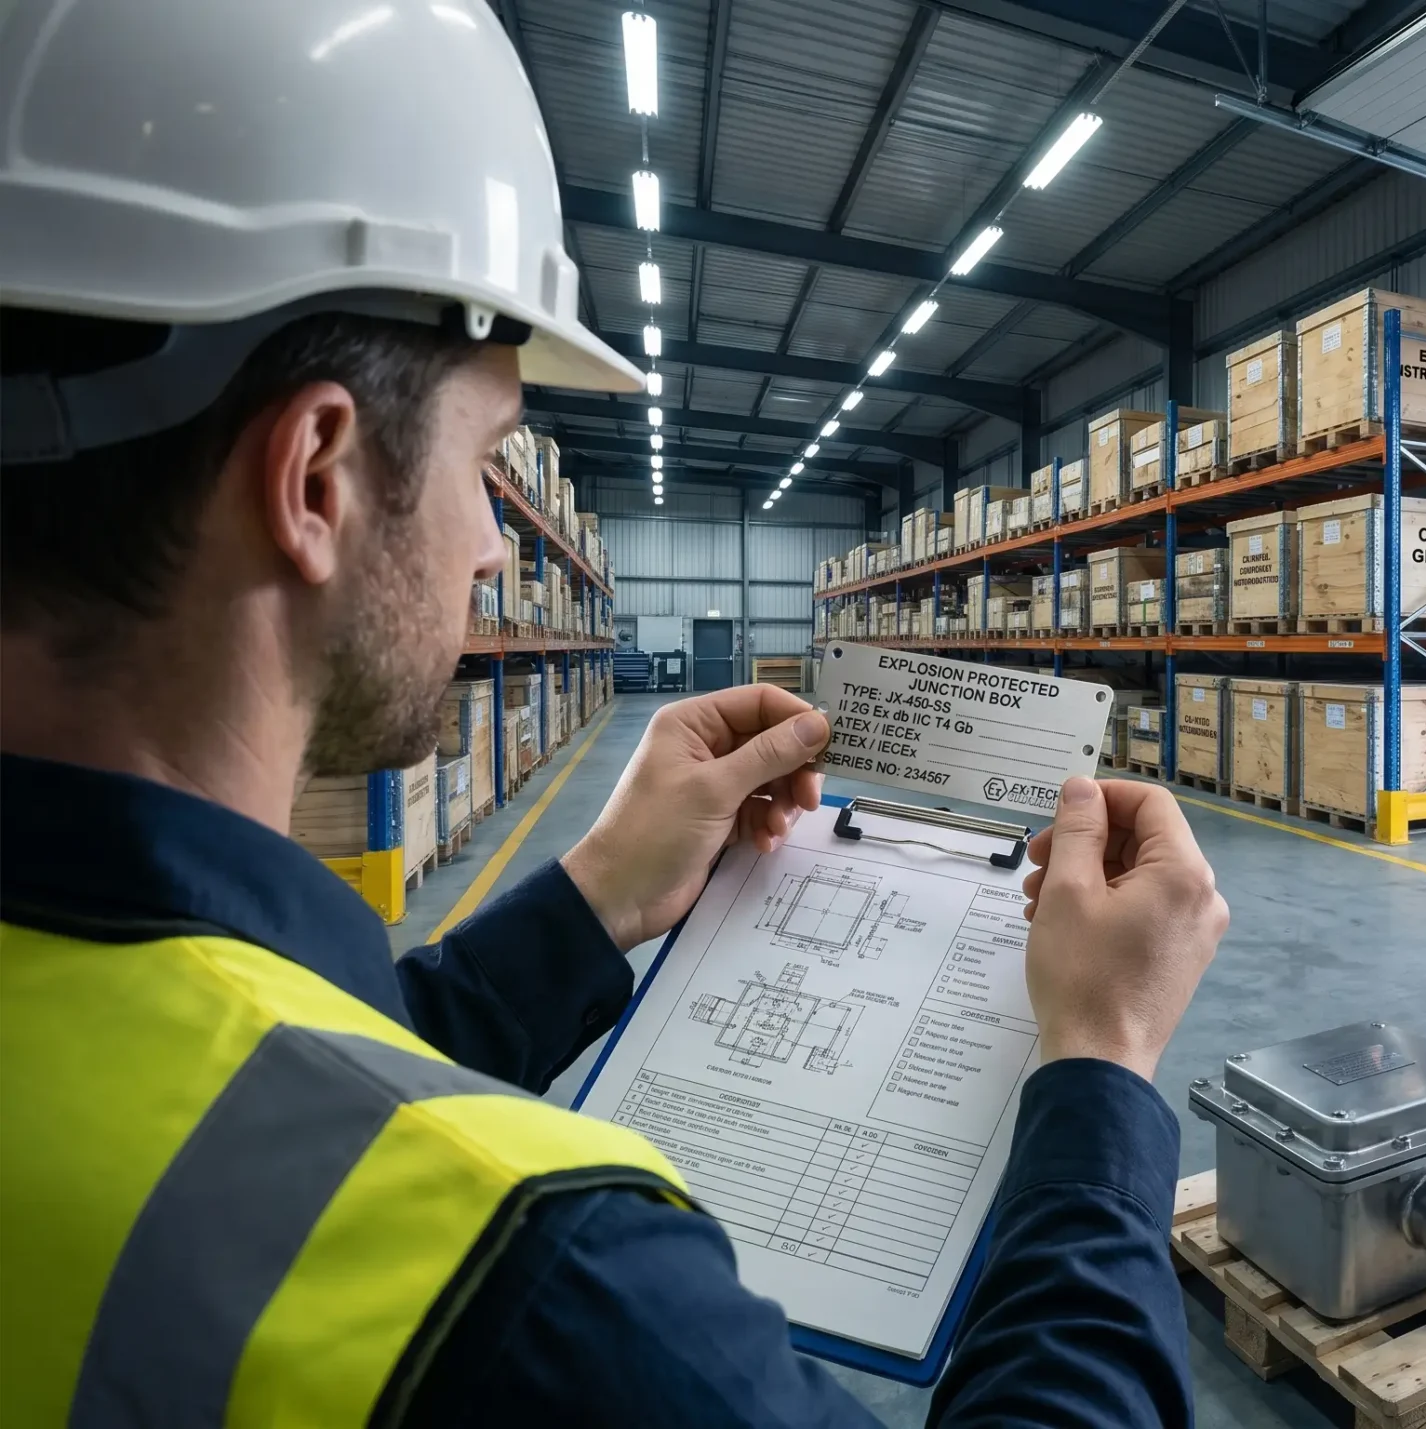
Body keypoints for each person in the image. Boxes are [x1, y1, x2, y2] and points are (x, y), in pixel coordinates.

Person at [0, 2, 1227, 1424]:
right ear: (316, 479)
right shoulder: (538, 1282)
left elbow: (247, 1111)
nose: (484, 547)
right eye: (485, 459)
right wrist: (1099, 1071)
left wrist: (585, 904)